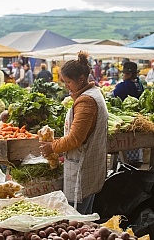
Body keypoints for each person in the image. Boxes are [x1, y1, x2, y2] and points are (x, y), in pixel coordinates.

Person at [39, 51, 108, 214]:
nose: (66, 86)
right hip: (90, 165)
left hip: (82, 168)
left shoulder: (86, 101)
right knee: (86, 217)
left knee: (77, 217)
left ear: (81, 79)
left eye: (68, 82)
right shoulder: (93, 94)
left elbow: (75, 139)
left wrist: (52, 147)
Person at [113, 61, 144, 168]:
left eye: (124, 74)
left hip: (127, 122)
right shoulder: (139, 84)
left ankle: (126, 165)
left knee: (127, 148)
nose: (123, 75)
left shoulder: (123, 86)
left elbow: (115, 95)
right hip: (138, 119)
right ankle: (137, 161)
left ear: (129, 74)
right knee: (136, 144)